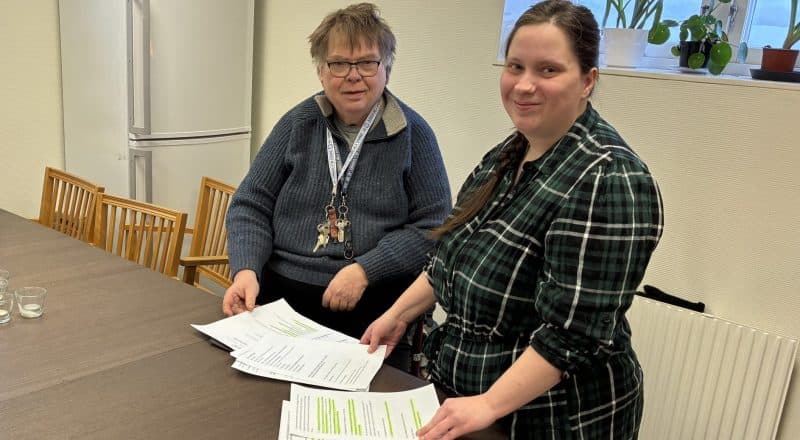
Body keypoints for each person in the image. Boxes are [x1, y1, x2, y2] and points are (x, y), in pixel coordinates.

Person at [361, 1, 664, 438]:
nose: (524, 85)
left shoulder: (608, 179)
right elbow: (449, 258)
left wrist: (487, 404)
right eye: (515, 66)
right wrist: (398, 314)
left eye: (548, 70)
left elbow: (571, 336)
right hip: (472, 404)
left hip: (553, 419)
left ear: (587, 81)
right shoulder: (509, 154)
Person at [223, 3, 451, 371]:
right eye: (339, 63)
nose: (353, 76)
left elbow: (434, 228)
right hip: (279, 303)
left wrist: (365, 270)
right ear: (321, 70)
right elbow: (250, 203)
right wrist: (246, 269)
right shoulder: (298, 123)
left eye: (367, 63)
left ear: (386, 69)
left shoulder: (415, 135)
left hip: (371, 312)